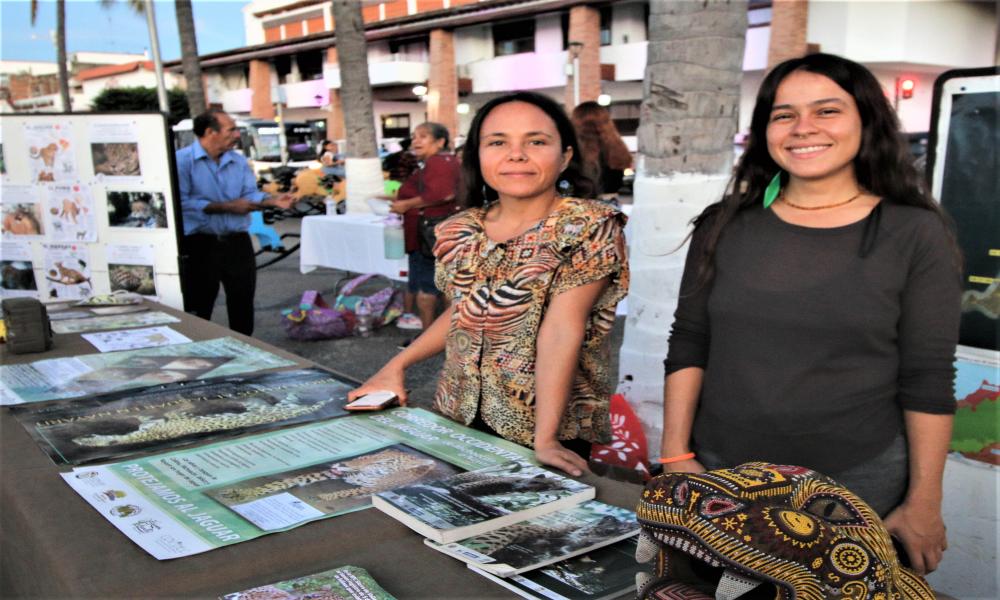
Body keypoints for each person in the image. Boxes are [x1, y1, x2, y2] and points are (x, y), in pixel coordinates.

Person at [659, 54, 961, 575]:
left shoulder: (914, 232)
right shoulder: (724, 225)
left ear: (867, 120)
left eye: (827, 110)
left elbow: (928, 377)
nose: (804, 128)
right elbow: (690, 340)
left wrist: (924, 501)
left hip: (857, 484)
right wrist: (674, 456)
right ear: (765, 131)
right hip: (720, 474)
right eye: (785, 115)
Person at [350, 92, 629, 477]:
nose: (516, 155)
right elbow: (463, 311)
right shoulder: (459, 229)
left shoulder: (588, 226)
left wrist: (545, 439)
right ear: (477, 156)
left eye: (536, 141)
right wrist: (395, 366)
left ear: (565, 156)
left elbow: (563, 328)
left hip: (547, 423)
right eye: (498, 142)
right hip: (458, 410)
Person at [175, 109, 294, 336]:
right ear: (210, 132)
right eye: (231, 130)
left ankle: (245, 349)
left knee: (242, 302)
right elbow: (180, 203)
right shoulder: (182, 161)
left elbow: (249, 195)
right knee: (199, 305)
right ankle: (197, 350)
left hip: (237, 242)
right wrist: (228, 207)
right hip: (199, 244)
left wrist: (273, 201)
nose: (237, 135)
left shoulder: (238, 161)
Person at [386, 122, 460, 331]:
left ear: (440, 142)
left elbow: (444, 194)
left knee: (428, 287)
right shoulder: (435, 162)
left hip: (430, 233)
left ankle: (429, 337)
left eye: (423, 136)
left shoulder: (439, 162)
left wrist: (406, 204)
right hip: (428, 231)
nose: (416, 141)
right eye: (414, 136)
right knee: (440, 284)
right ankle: (442, 336)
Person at [571, 101, 632, 204]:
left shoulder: (570, 151)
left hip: (578, 204)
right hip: (610, 203)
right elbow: (616, 183)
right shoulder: (617, 150)